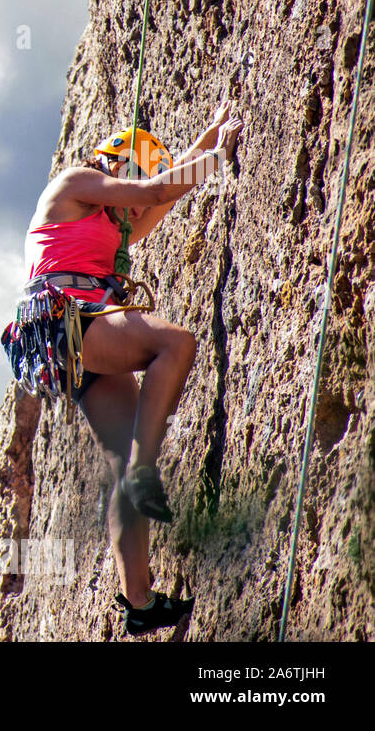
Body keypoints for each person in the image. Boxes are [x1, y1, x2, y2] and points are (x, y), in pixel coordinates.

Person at [21, 100, 243, 636]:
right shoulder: (74, 183)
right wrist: (215, 155)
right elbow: (153, 191)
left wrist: (207, 140)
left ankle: (139, 602)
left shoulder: (110, 225)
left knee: (120, 469)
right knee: (175, 345)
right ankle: (147, 468)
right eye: (127, 187)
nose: (128, 219)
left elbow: (162, 196)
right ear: (117, 168)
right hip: (70, 319)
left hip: (71, 339)